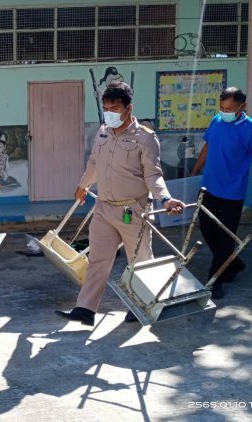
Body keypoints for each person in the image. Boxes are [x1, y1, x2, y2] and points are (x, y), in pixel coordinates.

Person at [55, 82, 184, 326]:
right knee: (98, 260)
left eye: (115, 108)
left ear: (129, 108)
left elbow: (153, 175)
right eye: (106, 108)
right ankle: (85, 309)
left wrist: (165, 199)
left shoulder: (145, 138)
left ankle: (140, 306)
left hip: (133, 210)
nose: (110, 113)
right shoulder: (103, 132)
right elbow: (94, 162)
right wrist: (83, 186)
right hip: (103, 208)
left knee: (140, 261)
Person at [191, 87, 252, 299]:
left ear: (242, 106)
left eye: (229, 108)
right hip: (208, 188)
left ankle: (215, 280)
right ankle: (234, 263)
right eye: (221, 108)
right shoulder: (217, 122)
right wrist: (195, 170)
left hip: (232, 193)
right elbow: (208, 146)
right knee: (208, 230)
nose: (224, 112)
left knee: (225, 238)